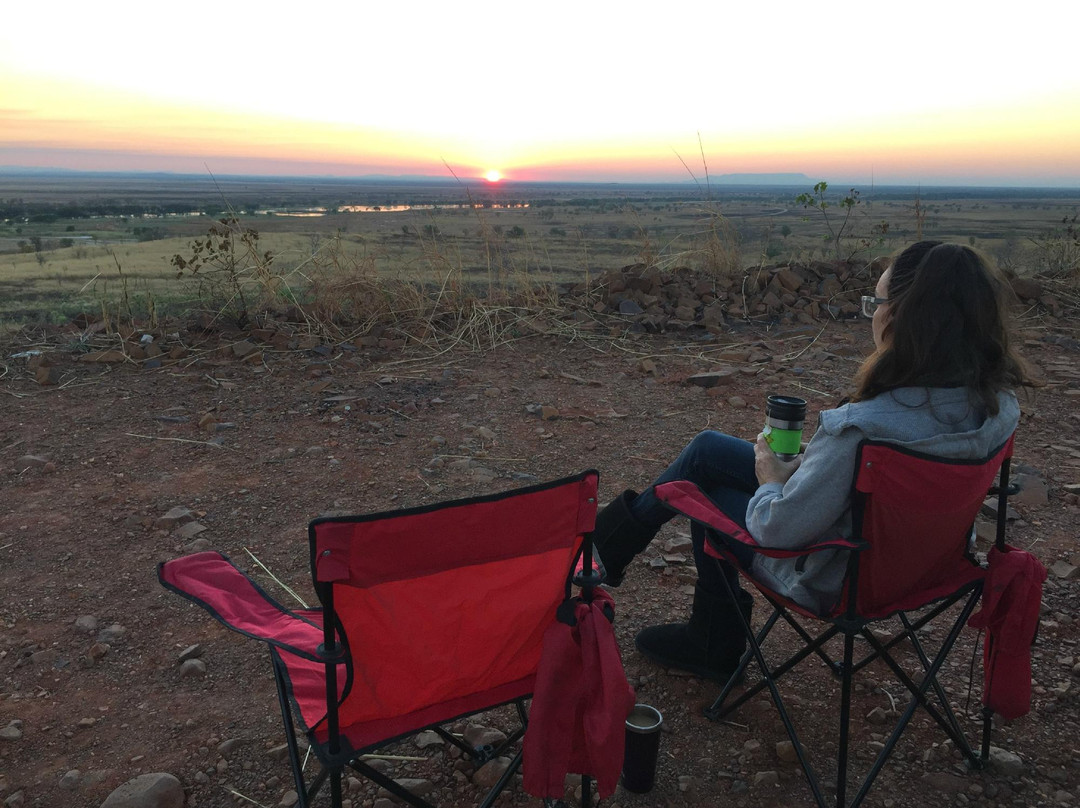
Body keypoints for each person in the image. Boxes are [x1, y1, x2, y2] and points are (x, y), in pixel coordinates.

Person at [592, 241, 1035, 682]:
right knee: (707, 448)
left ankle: (710, 641)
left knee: (702, 490)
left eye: (875, 304)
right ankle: (605, 551)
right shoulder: (999, 407)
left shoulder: (860, 428)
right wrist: (810, 471)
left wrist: (770, 480)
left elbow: (776, 530)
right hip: (925, 567)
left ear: (902, 318)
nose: (872, 316)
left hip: (834, 577)